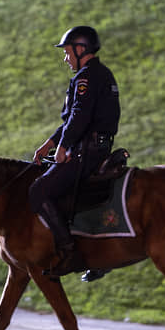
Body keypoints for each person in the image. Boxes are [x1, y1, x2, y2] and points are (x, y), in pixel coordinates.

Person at [29, 26, 120, 278]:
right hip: (97, 145)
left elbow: (79, 116)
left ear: (81, 50)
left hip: (87, 150)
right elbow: (71, 120)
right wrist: (50, 144)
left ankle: (68, 252)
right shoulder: (100, 74)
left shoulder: (86, 78)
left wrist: (63, 148)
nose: (65, 57)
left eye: (68, 52)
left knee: (38, 191)